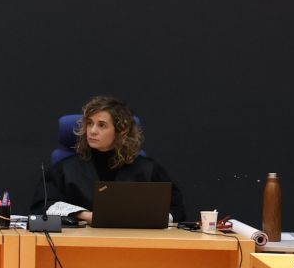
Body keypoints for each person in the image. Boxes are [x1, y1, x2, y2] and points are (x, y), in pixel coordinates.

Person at [33, 96, 188, 224]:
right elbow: (43, 205)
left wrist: (140, 219)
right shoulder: (65, 169)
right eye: (89, 123)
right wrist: (86, 215)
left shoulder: (148, 170)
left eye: (102, 125)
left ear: (122, 130)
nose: (92, 131)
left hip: (134, 243)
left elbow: (176, 210)